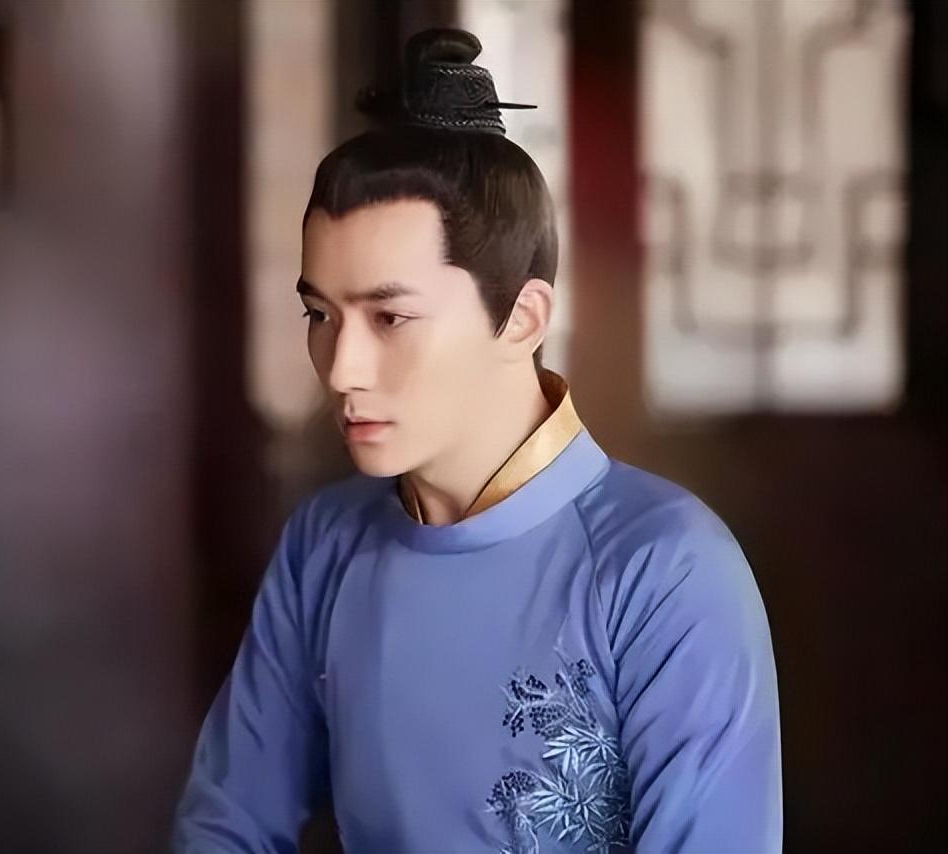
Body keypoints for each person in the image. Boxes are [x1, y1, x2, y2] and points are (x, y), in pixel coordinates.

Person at [173, 27, 782, 854]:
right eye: (320, 314)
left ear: (522, 317)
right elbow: (228, 822)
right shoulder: (326, 545)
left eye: (390, 317)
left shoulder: (665, 570)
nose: (342, 367)